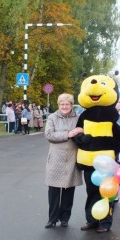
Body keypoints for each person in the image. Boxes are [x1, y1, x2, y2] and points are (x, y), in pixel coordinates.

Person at [44, 93, 83, 228]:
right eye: (62, 104)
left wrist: (81, 132)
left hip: (72, 157)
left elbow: (84, 135)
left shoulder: (78, 118)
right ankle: (52, 218)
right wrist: (68, 134)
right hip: (56, 157)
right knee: (54, 190)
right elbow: (49, 135)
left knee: (68, 189)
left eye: (67, 104)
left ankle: (65, 218)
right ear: (59, 105)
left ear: (71, 105)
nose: (64, 106)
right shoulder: (52, 117)